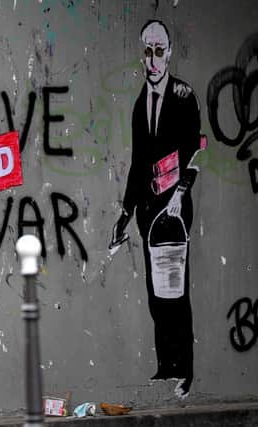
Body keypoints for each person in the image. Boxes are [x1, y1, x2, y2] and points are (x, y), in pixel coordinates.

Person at [110, 20, 203, 398]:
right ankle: (166, 364)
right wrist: (126, 213)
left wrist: (181, 192)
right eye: (147, 51)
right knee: (155, 290)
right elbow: (137, 164)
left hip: (175, 207)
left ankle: (186, 370)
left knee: (176, 290)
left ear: (169, 51)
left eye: (159, 50)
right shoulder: (138, 104)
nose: (152, 59)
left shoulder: (184, 96)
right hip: (149, 209)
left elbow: (194, 149)